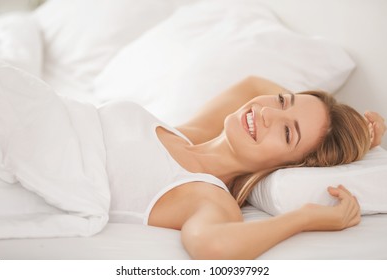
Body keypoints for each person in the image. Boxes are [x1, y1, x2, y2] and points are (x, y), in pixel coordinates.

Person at [122, 75, 385, 260]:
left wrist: (306, 218)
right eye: (282, 101)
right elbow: (253, 84)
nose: (267, 113)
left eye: (287, 133)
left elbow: (212, 246)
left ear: (286, 166)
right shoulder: (195, 132)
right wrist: (355, 132)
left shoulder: (206, 196)